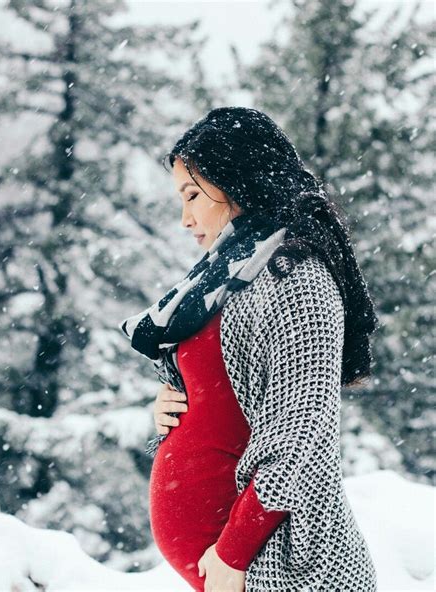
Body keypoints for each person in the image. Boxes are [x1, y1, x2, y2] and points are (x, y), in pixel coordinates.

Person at [120, 107, 379, 592]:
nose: (185, 218)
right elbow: (225, 396)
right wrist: (175, 404)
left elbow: (302, 428)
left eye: (193, 195)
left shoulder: (295, 273)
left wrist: (235, 551)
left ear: (237, 181)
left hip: (285, 569)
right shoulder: (231, 276)